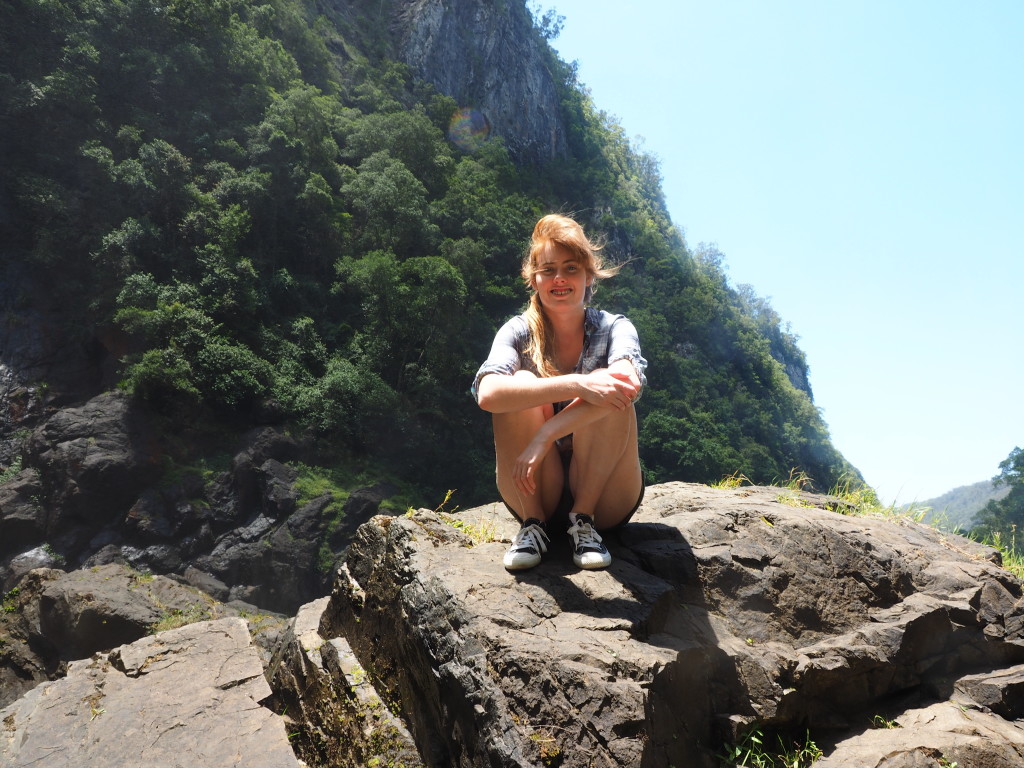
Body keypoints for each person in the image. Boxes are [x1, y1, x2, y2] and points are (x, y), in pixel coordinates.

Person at [471, 214, 647, 571]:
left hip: (607, 493)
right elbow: (487, 393)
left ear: (588, 274)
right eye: (548, 270)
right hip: (535, 489)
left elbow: (628, 384)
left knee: (613, 386)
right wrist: (576, 384)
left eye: (570, 268)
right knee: (517, 384)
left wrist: (547, 433)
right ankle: (533, 525)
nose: (560, 279)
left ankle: (583, 521)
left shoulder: (615, 328)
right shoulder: (517, 331)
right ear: (533, 279)